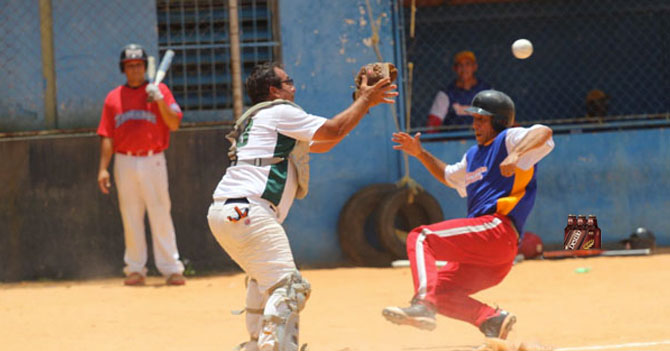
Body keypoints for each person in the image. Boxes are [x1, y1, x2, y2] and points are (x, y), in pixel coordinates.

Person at [206, 62, 397, 351]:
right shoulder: (280, 111)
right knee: (291, 289)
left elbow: (325, 141)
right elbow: (333, 130)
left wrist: (361, 102)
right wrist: (365, 99)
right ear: (274, 91)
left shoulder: (260, 119)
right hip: (249, 210)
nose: (294, 87)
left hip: (225, 213)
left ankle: (255, 344)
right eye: (288, 82)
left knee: (264, 281)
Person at [383, 90, 554, 340]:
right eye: (474, 118)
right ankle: (491, 319)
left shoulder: (509, 139)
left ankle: (422, 304)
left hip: (498, 230)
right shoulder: (473, 155)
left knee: (421, 237)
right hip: (488, 255)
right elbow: (449, 176)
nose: (475, 124)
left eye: (481, 119)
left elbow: (544, 132)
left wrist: (516, 155)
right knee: (439, 290)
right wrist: (420, 153)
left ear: (498, 121)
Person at [96, 43, 186, 286]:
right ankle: (135, 269)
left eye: (139, 65)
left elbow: (174, 124)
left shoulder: (161, 91)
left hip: (153, 159)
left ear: (145, 67)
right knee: (130, 214)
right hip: (124, 160)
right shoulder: (113, 98)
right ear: (124, 69)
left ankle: (171, 268)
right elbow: (107, 135)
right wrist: (103, 167)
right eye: (130, 66)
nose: (135, 69)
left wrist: (159, 102)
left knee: (160, 212)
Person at [427, 50, 492, 130]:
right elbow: (432, 126)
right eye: (460, 65)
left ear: (474, 67)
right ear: (455, 68)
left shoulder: (487, 91)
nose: (464, 68)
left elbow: (499, 119)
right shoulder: (446, 94)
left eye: (468, 64)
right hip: (453, 140)